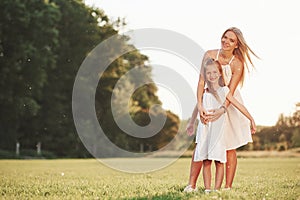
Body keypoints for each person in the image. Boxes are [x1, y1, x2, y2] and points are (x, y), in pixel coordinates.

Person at [183, 27, 259, 192]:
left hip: (228, 104)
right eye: (225, 37)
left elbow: (230, 92)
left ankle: (227, 187)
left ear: (237, 45)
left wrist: (224, 110)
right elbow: (201, 82)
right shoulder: (209, 55)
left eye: (231, 40)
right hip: (209, 101)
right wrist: (201, 105)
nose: (226, 41)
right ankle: (192, 184)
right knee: (201, 144)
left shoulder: (237, 63)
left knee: (229, 145)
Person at [193, 58, 256, 193]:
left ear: (220, 73)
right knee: (206, 161)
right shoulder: (204, 92)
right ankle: (208, 189)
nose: (212, 75)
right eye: (208, 73)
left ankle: (217, 189)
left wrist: (251, 119)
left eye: (215, 72)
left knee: (219, 161)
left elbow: (238, 105)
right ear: (205, 75)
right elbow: (197, 107)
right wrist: (191, 122)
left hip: (218, 131)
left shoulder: (224, 91)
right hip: (205, 129)